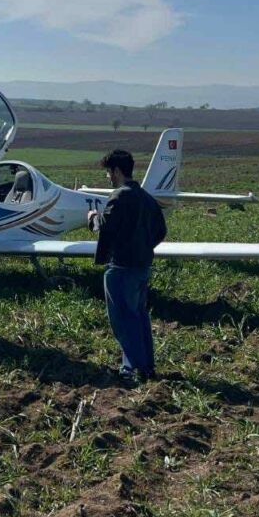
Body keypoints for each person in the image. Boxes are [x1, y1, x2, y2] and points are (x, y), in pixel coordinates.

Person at [90, 149, 167, 385]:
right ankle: (146, 366)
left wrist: (93, 216)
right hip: (142, 266)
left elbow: (106, 226)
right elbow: (161, 230)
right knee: (139, 316)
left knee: (122, 319)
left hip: (120, 267)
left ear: (116, 170)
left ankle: (131, 369)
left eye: (108, 172)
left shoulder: (119, 197)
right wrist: (143, 248)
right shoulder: (146, 198)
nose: (108, 177)